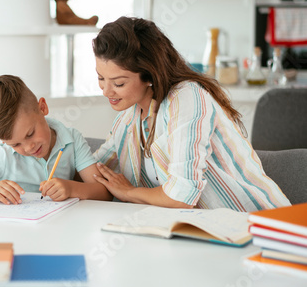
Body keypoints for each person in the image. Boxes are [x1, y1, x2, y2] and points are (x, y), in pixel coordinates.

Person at [91, 16, 290, 212]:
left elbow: (181, 196)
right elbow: (94, 170)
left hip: (256, 225)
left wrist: (129, 192)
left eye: (118, 83)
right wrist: (61, 139)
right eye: (101, 78)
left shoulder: (186, 98)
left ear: (149, 76)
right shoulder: (130, 117)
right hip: (200, 231)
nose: (106, 91)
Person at [0, 74, 112, 204]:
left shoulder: (72, 139)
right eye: (16, 144)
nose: (28, 148)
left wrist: (71, 188)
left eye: (30, 134)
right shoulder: (4, 156)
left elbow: (104, 192)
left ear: (42, 107)